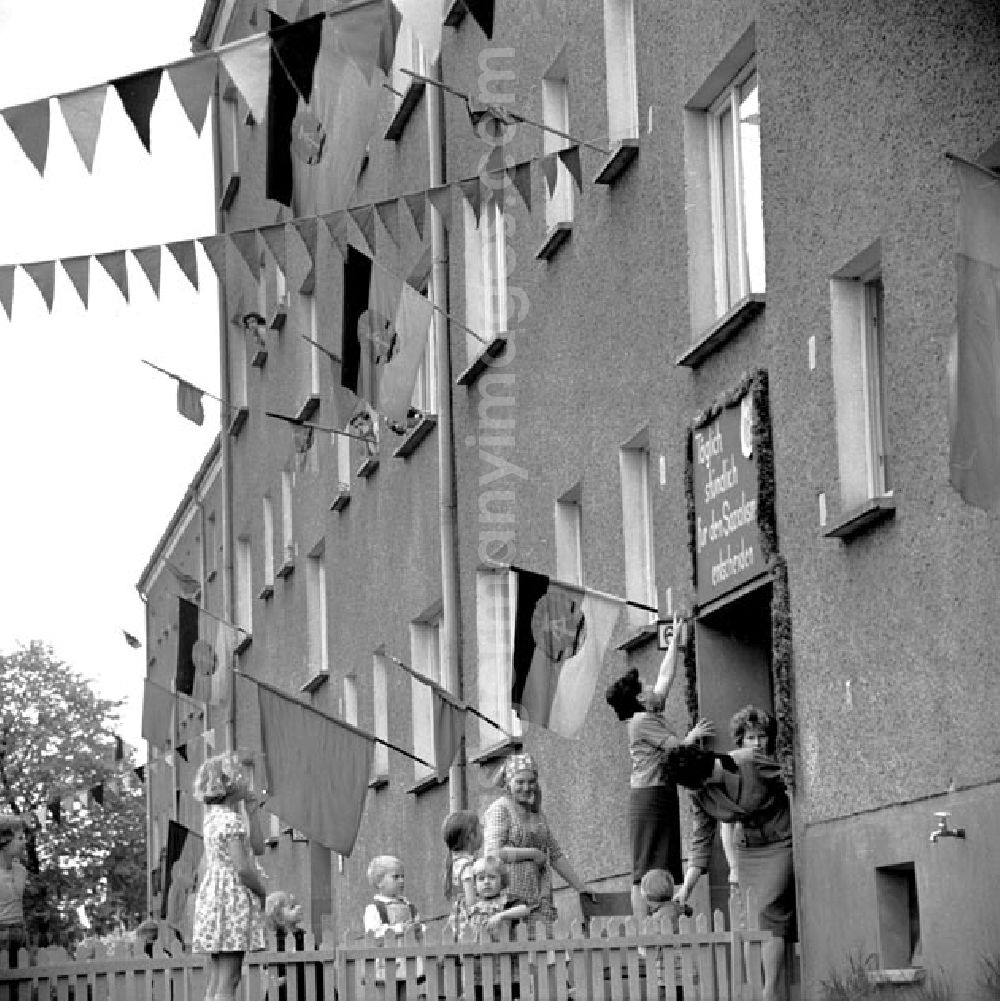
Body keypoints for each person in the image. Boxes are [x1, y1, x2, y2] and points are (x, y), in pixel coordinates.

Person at [665, 706, 795, 1001]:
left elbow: (791, 782)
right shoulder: (700, 793)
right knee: (752, 920)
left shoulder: (749, 762)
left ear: (702, 774)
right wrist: (686, 889)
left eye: (692, 785)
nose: (692, 791)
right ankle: (765, 991)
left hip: (780, 840)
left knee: (767, 910)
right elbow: (701, 841)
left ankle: (770, 992)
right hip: (749, 848)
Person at [604, 614, 714, 918]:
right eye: (646, 686)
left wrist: (674, 638)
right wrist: (692, 736)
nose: (654, 686)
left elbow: (666, 677)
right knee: (644, 868)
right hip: (649, 797)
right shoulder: (642, 721)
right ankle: (644, 932)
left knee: (662, 863)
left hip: (658, 794)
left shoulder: (647, 711)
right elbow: (676, 749)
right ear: (640, 699)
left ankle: (663, 920)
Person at [190, 752, 267, 1001]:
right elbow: (243, 868)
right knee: (229, 980)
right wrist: (262, 891)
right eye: (242, 777)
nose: (246, 781)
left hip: (215, 896)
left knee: (217, 979)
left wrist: (252, 811)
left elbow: (259, 847)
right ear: (229, 783)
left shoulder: (213, 817)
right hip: (231, 898)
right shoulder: (230, 821)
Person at [482, 753, 594, 923]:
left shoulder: (537, 813)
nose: (526, 787)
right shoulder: (500, 809)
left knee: (543, 946)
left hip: (540, 899)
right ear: (508, 783)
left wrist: (581, 887)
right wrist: (533, 853)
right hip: (511, 902)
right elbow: (494, 853)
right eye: (520, 782)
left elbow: (555, 854)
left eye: (531, 781)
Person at [363, 855, 425, 997]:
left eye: (402, 876)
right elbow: (374, 934)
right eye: (395, 877)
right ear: (380, 882)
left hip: (408, 962)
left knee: (408, 995)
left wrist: (418, 929)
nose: (401, 880)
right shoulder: (374, 908)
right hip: (386, 965)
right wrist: (399, 928)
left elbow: (419, 928)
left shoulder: (409, 906)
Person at [466, 857, 530, 936]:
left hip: (506, 945)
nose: (486, 882)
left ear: (502, 881)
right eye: (481, 878)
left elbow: (525, 909)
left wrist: (500, 916)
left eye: (492, 877)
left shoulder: (508, 900)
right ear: (475, 884)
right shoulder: (474, 907)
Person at [441, 810, 481, 935]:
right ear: (471, 836)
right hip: (469, 916)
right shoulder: (467, 865)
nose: (483, 834)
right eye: (480, 830)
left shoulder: (455, 861)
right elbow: (470, 900)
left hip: (459, 913)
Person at [0, 816, 28, 966]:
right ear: (4, 842)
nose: (25, 842)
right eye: (20, 838)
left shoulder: (21, 871)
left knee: (21, 981)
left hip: (19, 930)